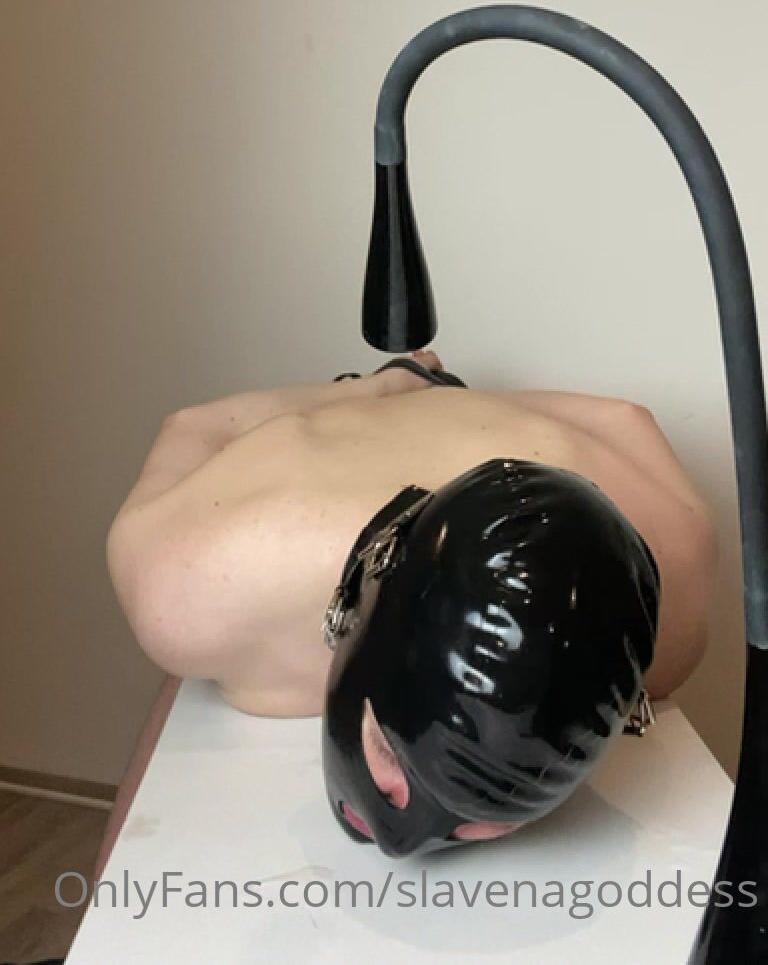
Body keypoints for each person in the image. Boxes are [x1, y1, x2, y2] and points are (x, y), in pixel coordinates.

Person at [102, 352, 716, 864]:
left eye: (487, 818)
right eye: (391, 755)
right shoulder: (194, 577)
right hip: (312, 476)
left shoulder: (677, 597)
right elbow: (197, 426)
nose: (400, 846)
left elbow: (628, 417)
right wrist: (386, 388)